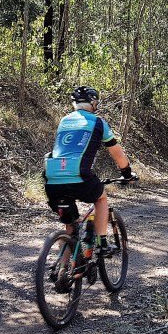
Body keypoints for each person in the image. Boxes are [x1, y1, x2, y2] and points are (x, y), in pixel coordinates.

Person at [43, 86, 137, 259]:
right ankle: (101, 242)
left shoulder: (64, 121)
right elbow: (116, 152)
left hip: (51, 180)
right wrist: (127, 172)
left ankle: (63, 270)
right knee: (101, 197)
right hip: (79, 176)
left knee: (71, 226)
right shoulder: (98, 122)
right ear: (93, 102)